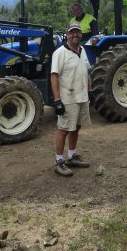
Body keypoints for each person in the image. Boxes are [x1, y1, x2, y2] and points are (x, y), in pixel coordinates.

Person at [51, 22, 92, 176]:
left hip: (82, 96)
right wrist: (57, 100)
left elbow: (87, 71)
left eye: (78, 32)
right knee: (64, 129)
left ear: (81, 35)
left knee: (77, 127)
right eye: (72, 32)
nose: (75, 35)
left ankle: (72, 156)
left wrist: (90, 90)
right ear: (67, 35)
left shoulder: (83, 50)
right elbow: (54, 76)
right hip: (68, 98)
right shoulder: (60, 53)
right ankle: (59, 161)